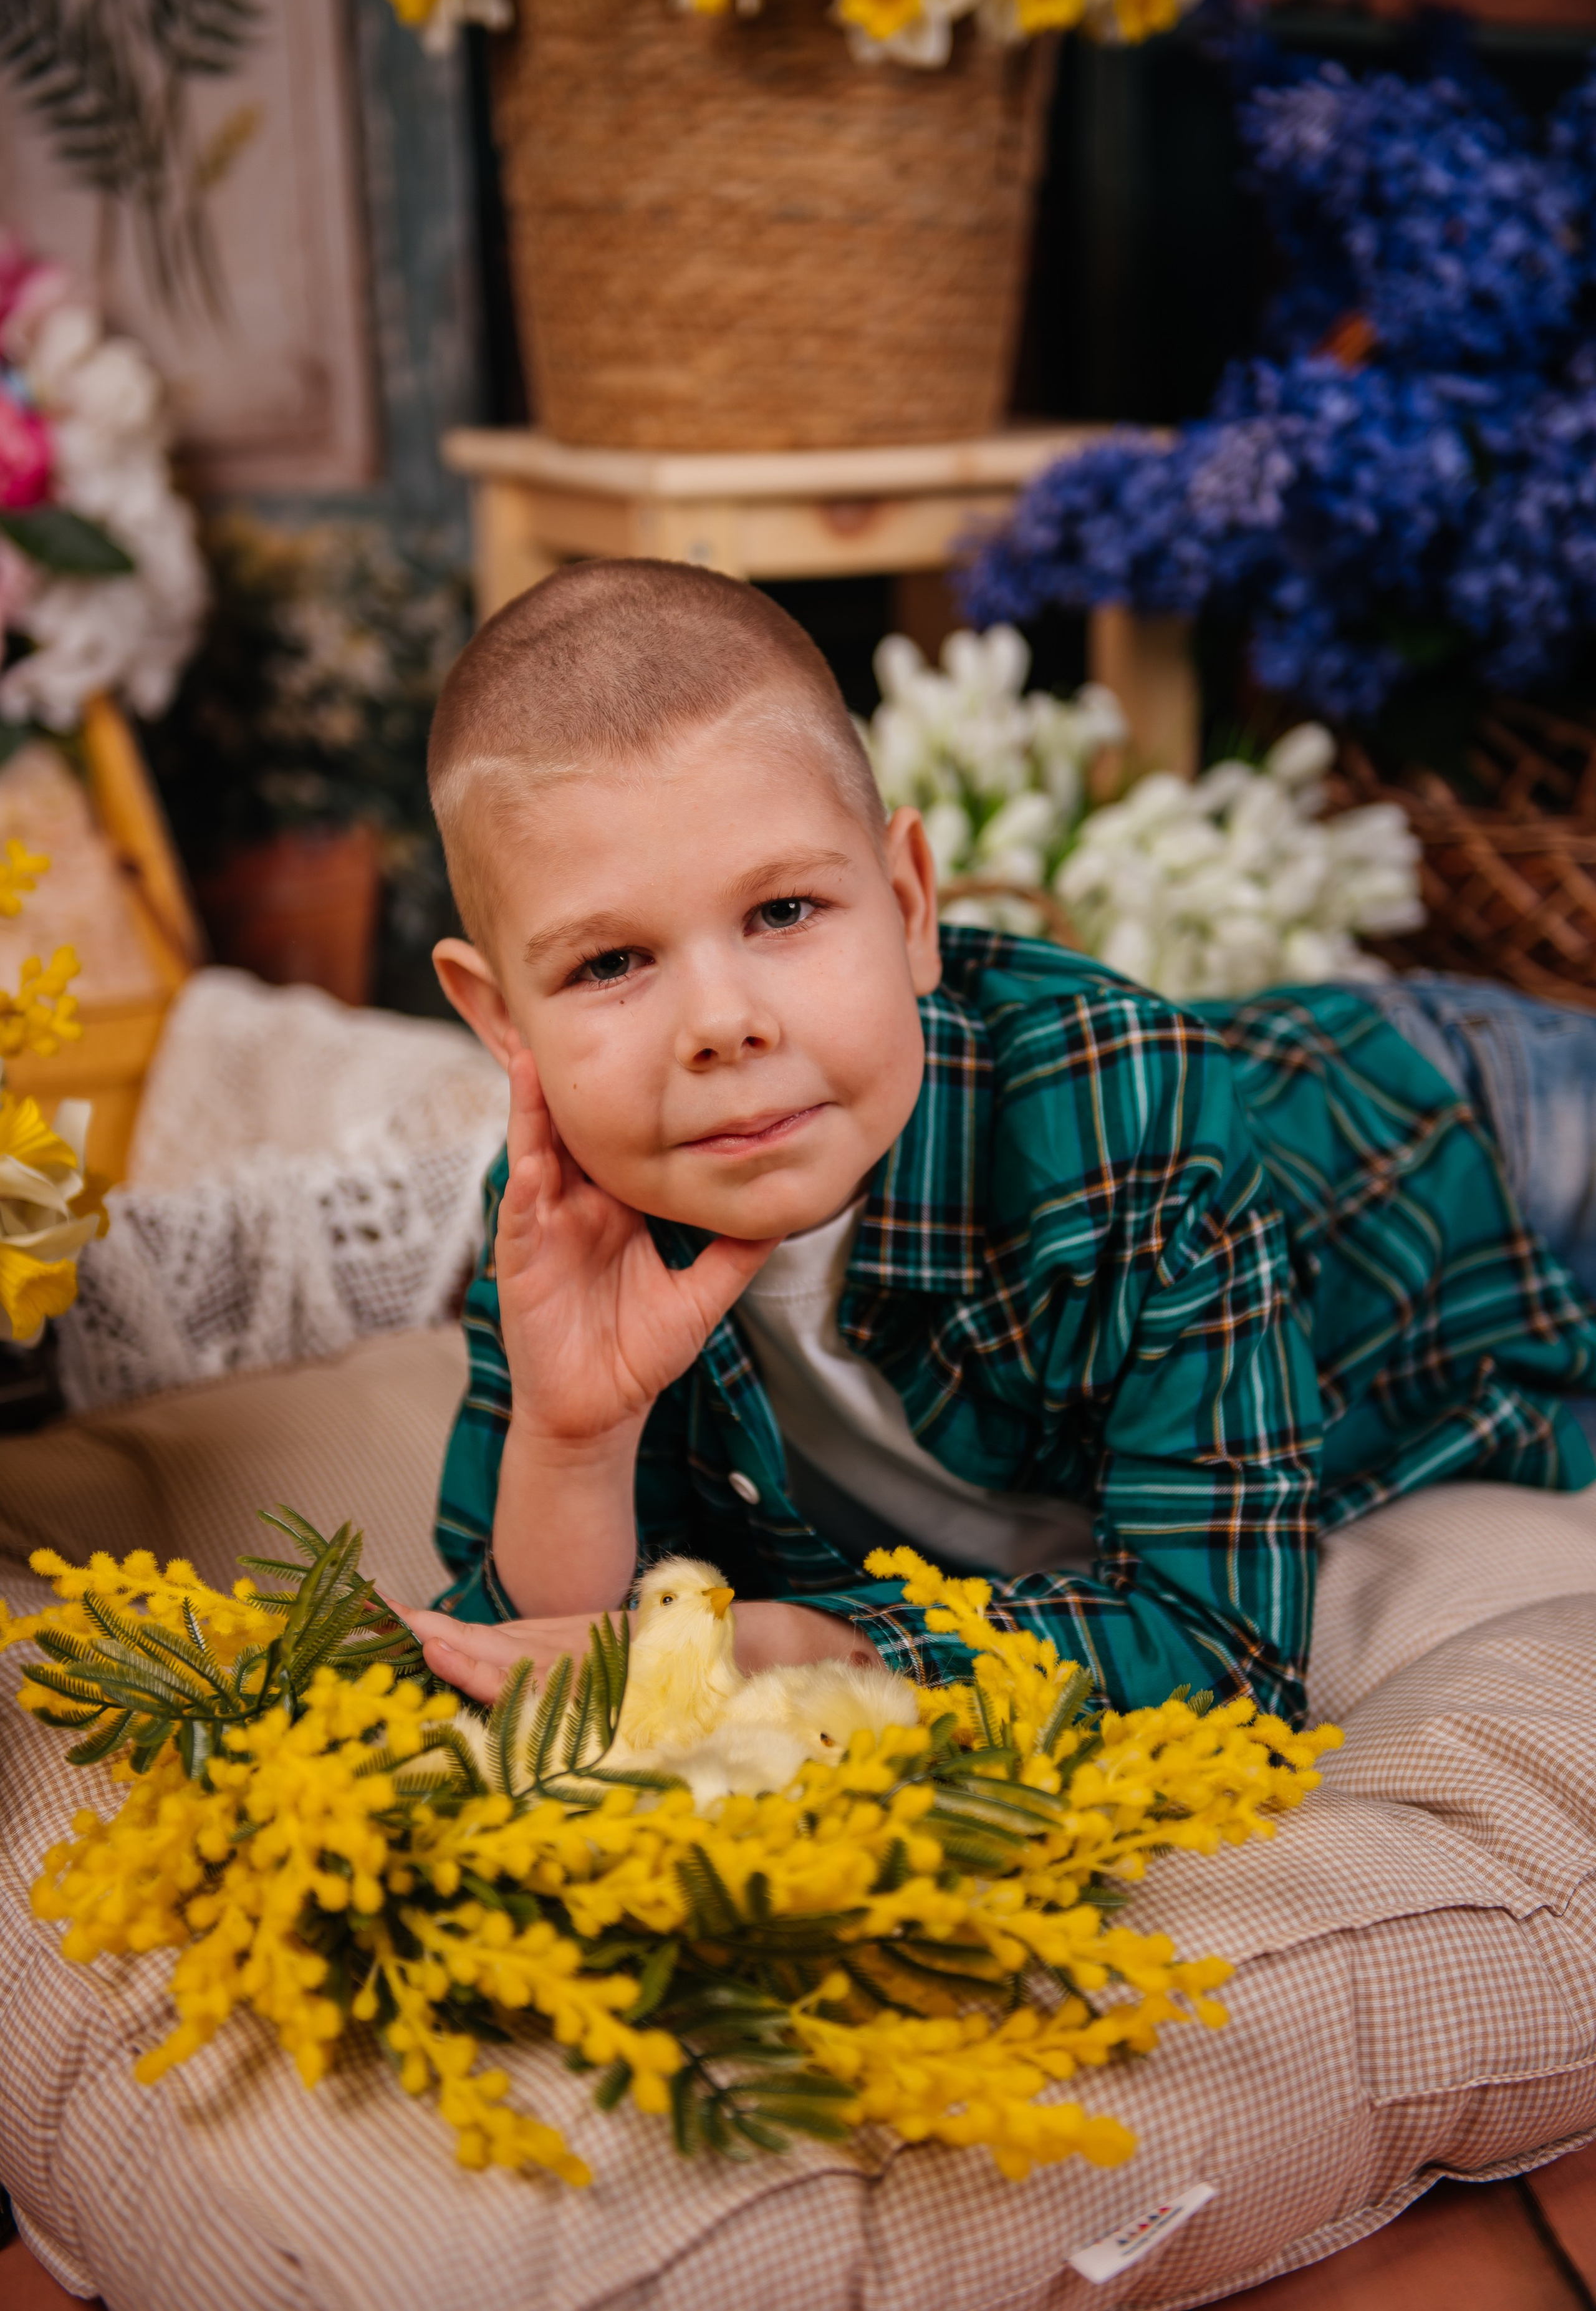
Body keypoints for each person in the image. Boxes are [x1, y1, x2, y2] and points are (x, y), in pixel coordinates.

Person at [397, 557, 1596, 1722]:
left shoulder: (1126, 1125)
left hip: (1475, 1128)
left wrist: (804, 1649)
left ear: (913, 906)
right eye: (611, 964)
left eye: (785, 911)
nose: (721, 1024)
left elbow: (1224, 1650)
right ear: (503, 1018)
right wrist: (575, 1441)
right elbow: (525, 1649)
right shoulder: (566, 1215)